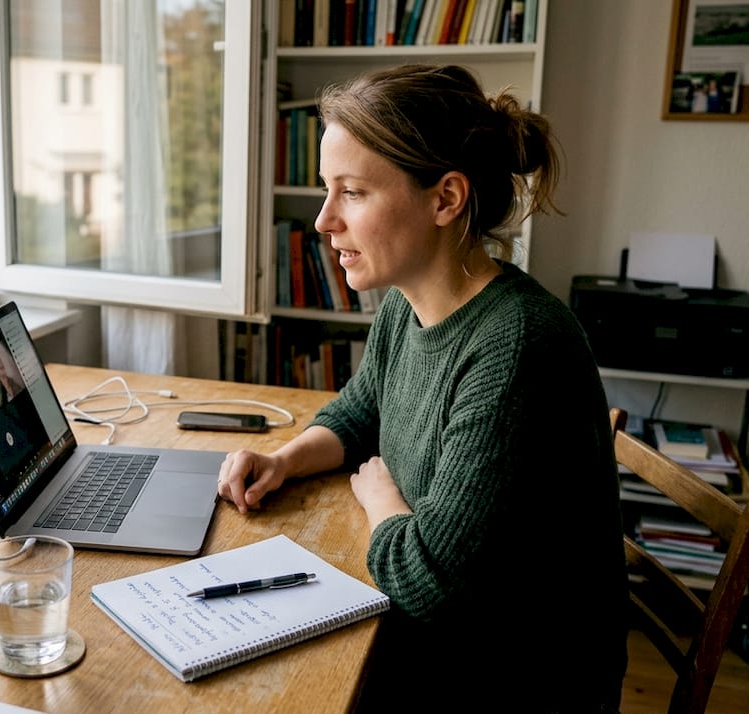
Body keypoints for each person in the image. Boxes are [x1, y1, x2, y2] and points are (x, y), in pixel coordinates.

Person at [217, 64, 628, 711]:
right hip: (438, 641)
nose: (324, 221)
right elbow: (360, 411)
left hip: (509, 680)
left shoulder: (518, 345)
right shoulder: (406, 307)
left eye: (351, 192)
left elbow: (432, 581)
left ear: (445, 199)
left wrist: (382, 500)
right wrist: (283, 459)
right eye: (329, 190)